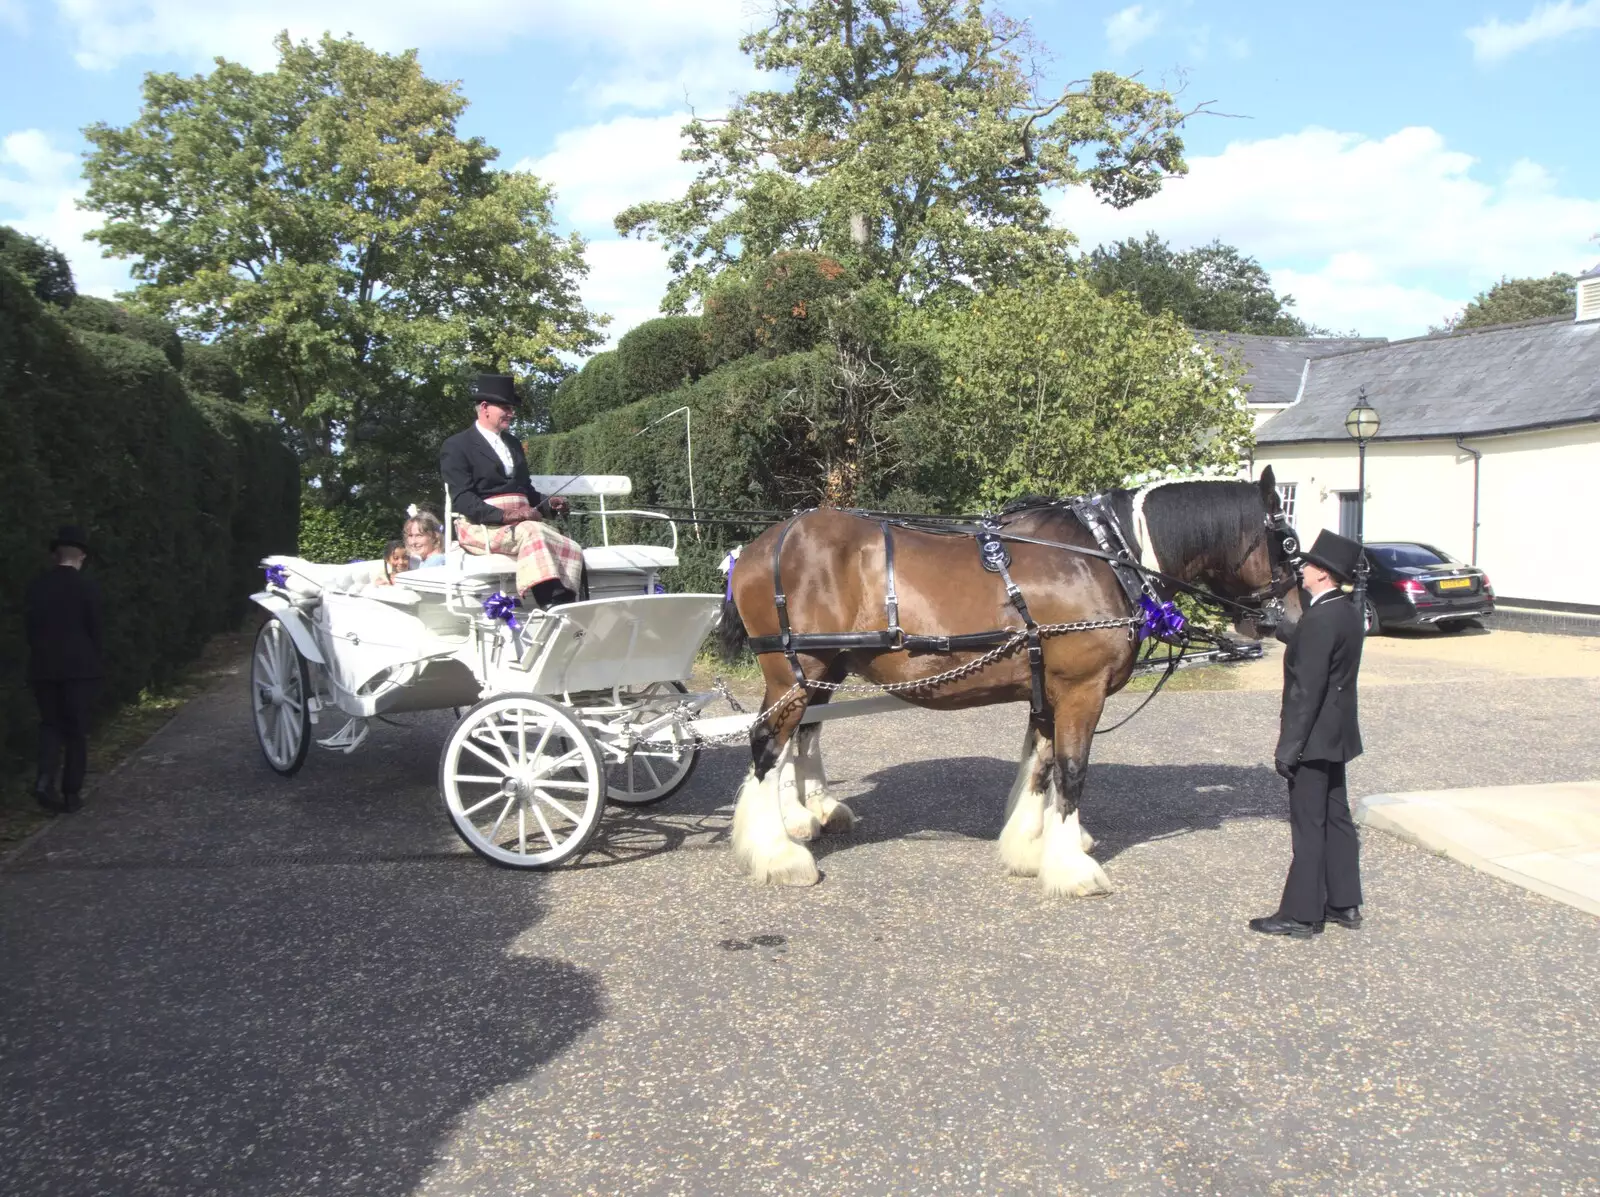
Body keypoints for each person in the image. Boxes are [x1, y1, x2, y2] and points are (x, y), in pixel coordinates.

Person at [1251, 529, 1367, 939]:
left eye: (1310, 565)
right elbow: (1315, 647)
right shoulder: (1346, 611)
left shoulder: (1320, 618)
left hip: (1314, 735)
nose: (1303, 569)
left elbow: (1307, 689)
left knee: (1308, 822)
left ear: (1324, 574)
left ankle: (1301, 914)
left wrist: (1289, 747)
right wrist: (1279, 630)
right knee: (1337, 816)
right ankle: (1343, 902)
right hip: (1337, 733)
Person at [439, 373, 583, 607]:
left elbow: (525, 491)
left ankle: (573, 594)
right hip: (482, 527)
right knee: (533, 532)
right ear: (485, 407)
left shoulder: (514, 444)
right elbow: (463, 499)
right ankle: (551, 601)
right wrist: (506, 516)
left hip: (521, 524)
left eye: (511, 408)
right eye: (506, 407)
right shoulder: (457, 446)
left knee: (563, 538)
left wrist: (548, 504)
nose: (511, 413)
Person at [25, 526, 104, 813]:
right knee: (76, 730)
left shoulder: (37, 586)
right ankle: (71, 792)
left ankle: (44, 779)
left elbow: (30, 628)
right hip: (79, 667)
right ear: (81, 555)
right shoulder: (87, 587)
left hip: (44, 667)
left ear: (55, 554)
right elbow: (95, 628)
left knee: (50, 725)